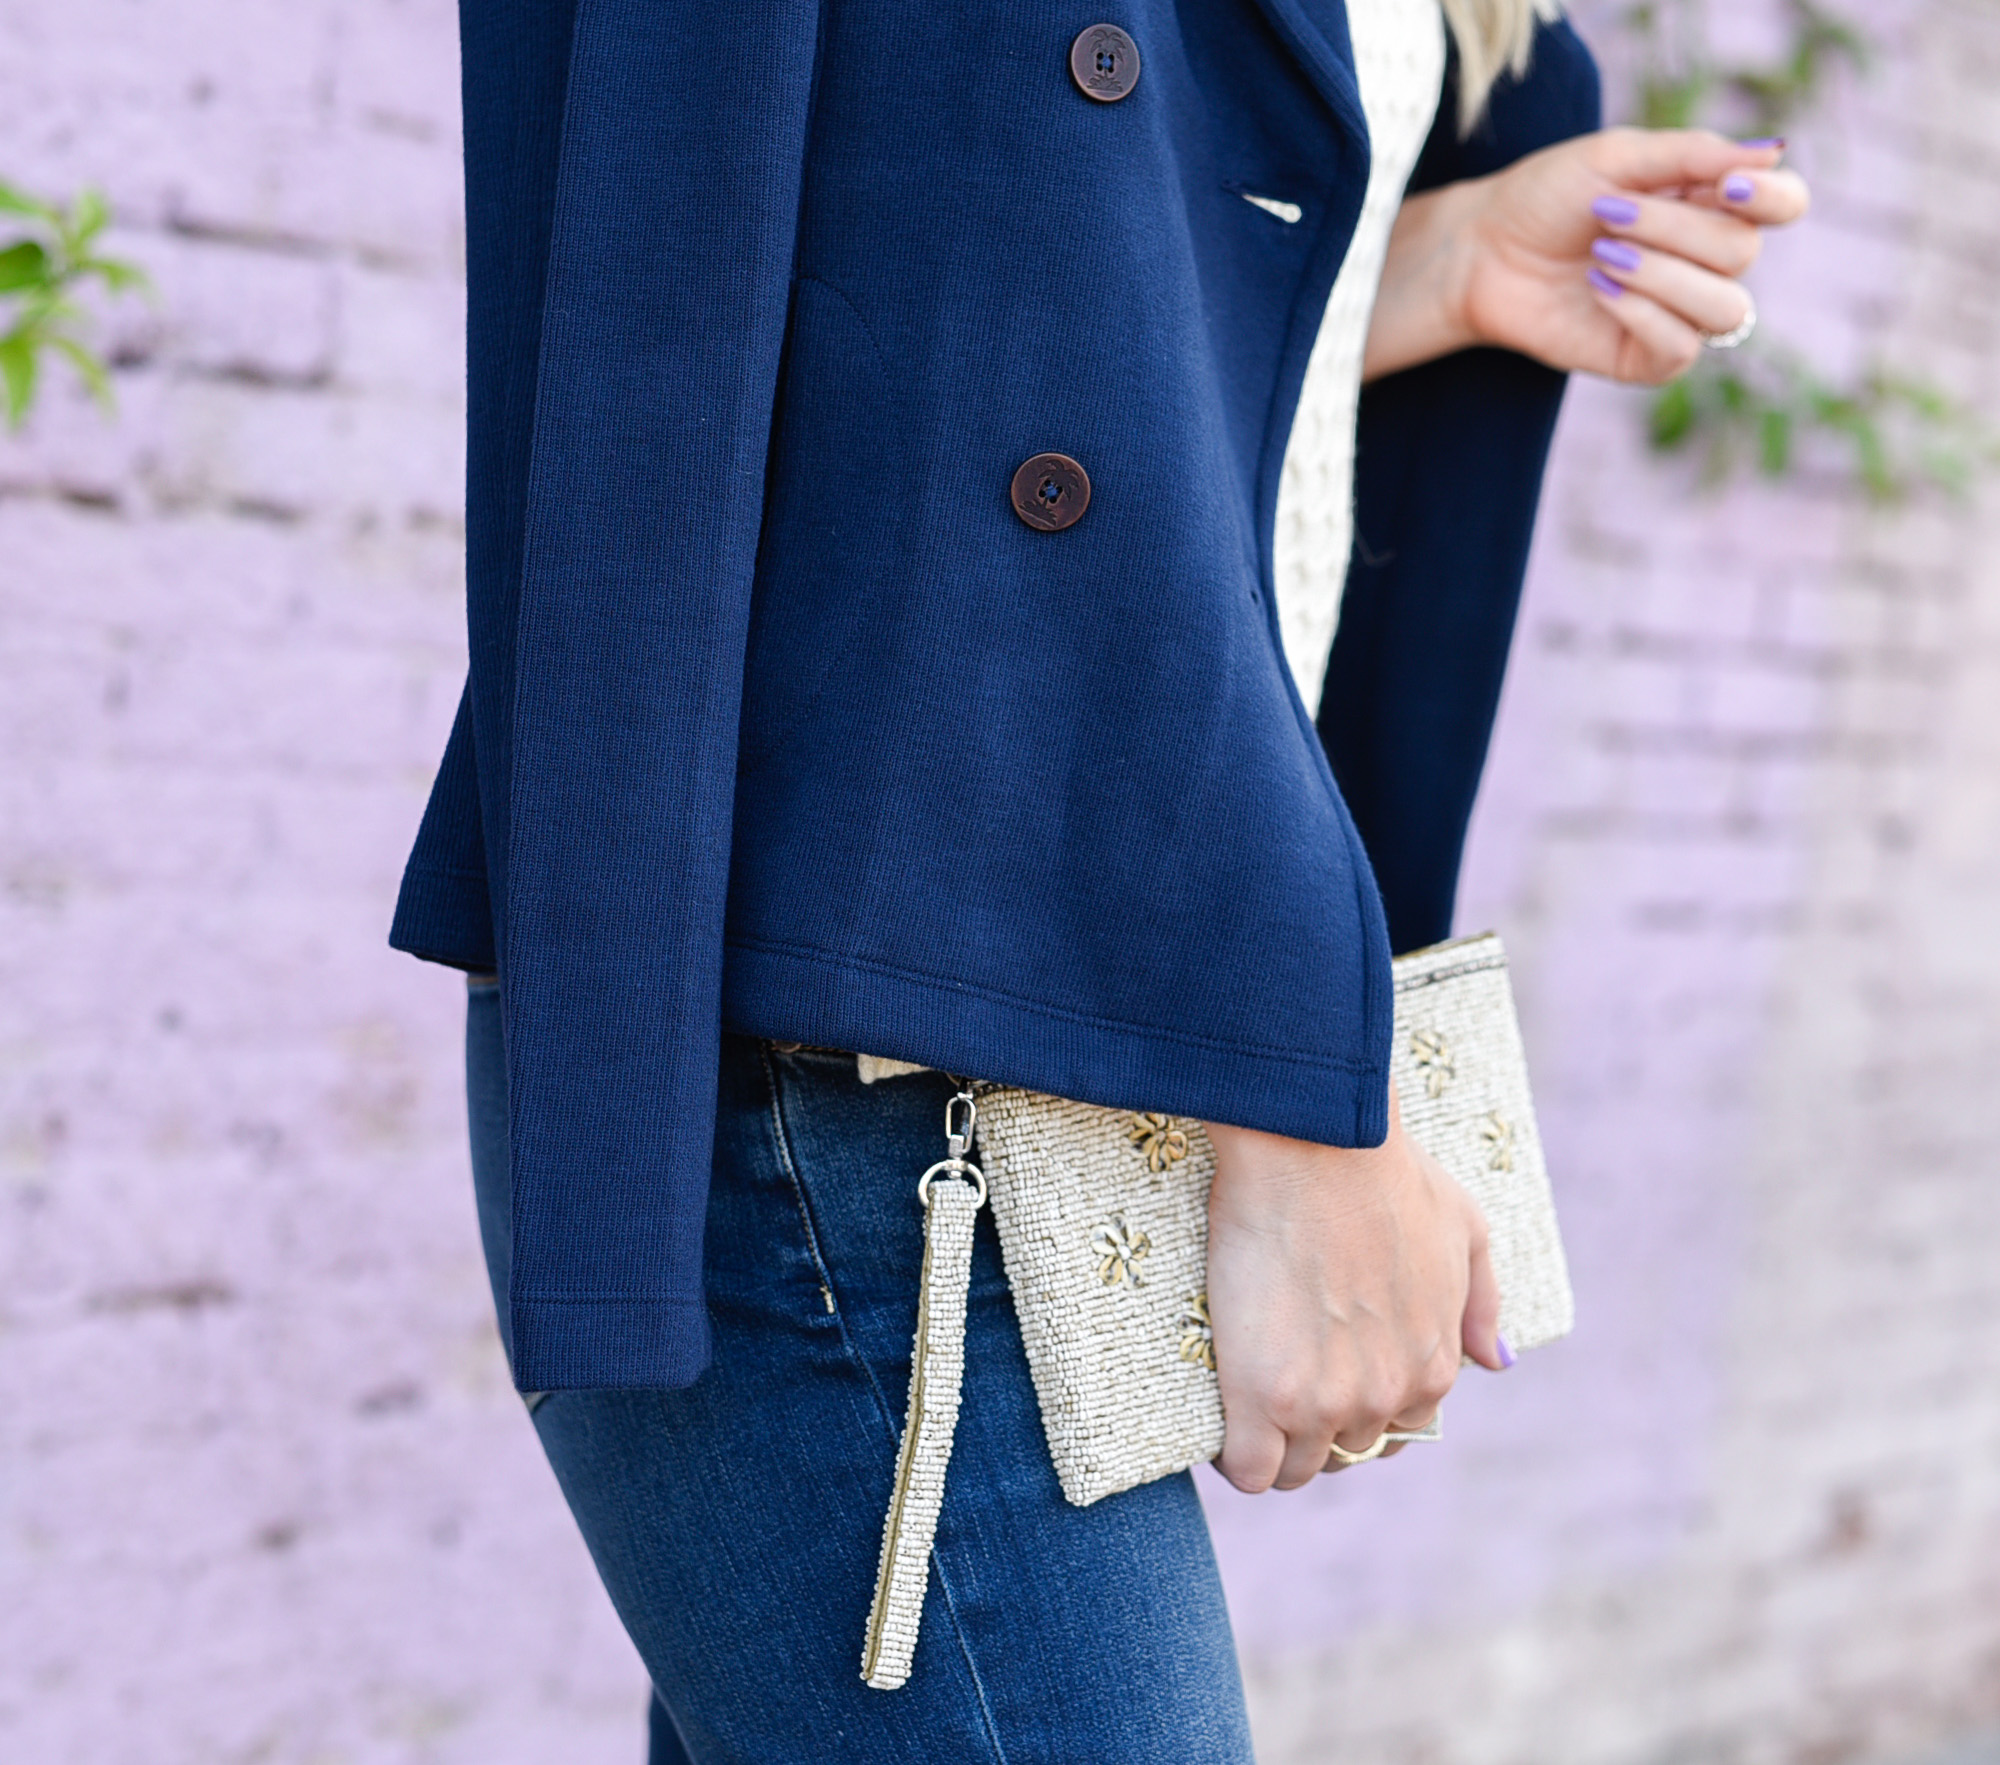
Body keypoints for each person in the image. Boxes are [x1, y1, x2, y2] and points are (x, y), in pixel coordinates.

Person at [396, 1, 1809, 1756]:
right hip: (853, 1043)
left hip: (1058, 1031)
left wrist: (1417, 266)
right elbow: (676, 316)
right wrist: (1295, 1072)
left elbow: (1000, 305)